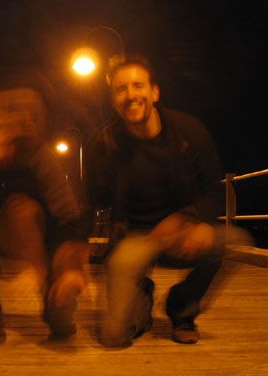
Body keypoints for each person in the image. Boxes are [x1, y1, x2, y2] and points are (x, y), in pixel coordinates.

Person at [87, 53, 231, 346]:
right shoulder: (104, 145)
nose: (130, 95)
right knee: (116, 336)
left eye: (138, 85)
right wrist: (76, 246)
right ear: (113, 99)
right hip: (134, 237)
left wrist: (192, 219)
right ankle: (141, 293)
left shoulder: (189, 131)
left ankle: (182, 310)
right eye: (120, 89)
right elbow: (92, 202)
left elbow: (215, 192)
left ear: (154, 92)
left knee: (228, 240)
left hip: (181, 230)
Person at [0, 68, 89, 353]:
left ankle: (55, 308)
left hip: (46, 247)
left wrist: (68, 268)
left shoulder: (39, 159)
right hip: (1, 243)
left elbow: (69, 218)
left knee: (21, 208)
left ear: (5, 131)